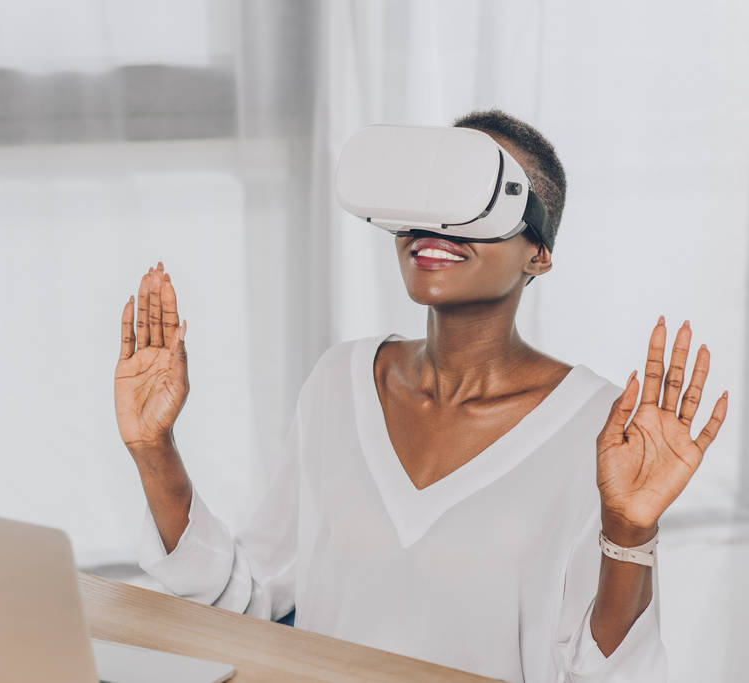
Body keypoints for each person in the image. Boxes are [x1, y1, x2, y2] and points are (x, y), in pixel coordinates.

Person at [112, 109, 729, 681]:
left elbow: (608, 676)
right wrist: (154, 449)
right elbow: (247, 598)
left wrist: (627, 531)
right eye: (429, 198)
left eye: (474, 202)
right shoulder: (340, 379)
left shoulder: (605, 428)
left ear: (537, 252)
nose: (436, 225)